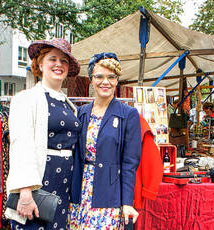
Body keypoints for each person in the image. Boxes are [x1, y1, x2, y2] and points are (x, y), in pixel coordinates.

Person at [6, 38, 81, 230]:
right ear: (40, 63)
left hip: (63, 184)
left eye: (64, 61)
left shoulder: (69, 105)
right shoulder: (26, 99)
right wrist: (24, 192)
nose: (58, 64)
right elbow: (21, 145)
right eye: (52, 59)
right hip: (38, 183)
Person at [70, 52, 141, 229]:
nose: (105, 82)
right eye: (99, 76)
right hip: (80, 190)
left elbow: (129, 163)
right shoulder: (81, 113)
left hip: (109, 191)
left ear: (117, 80)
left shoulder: (128, 114)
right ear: (91, 79)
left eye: (111, 77)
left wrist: (127, 202)